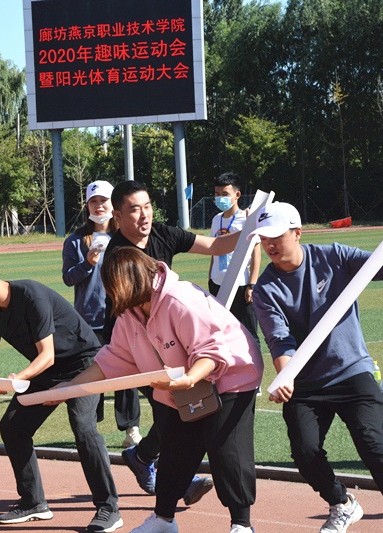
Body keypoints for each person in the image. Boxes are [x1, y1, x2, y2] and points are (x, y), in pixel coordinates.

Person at [55, 247, 262, 533]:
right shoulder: (129, 315)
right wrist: (69, 388)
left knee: (225, 448)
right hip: (178, 385)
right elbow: (112, 359)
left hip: (231, 376)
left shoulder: (181, 300)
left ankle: (241, 525)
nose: (111, 294)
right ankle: (163, 520)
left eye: (114, 286)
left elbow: (210, 351)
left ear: (133, 280)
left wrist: (189, 378)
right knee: (174, 450)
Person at [249, 202, 383, 533]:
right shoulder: (265, 288)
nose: (269, 245)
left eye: (276, 236)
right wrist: (285, 376)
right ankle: (342, 503)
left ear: (297, 233)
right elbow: (279, 341)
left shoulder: (333, 256)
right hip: (306, 383)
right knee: (304, 452)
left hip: (351, 370)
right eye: (264, 238)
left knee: (372, 441)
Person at [0, 254, 122, 533]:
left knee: (83, 426)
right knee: (13, 426)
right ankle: (33, 502)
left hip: (84, 363)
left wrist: (16, 380)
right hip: (47, 370)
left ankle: (108, 508)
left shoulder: (31, 296)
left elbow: (47, 354)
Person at [105, 180, 239, 501]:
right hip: (136, 345)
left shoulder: (164, 233)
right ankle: (175, 477)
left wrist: (250, 233)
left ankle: (144, 458)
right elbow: (129, 313)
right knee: (176, 410)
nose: (144, 215)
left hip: (168, 340)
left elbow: (215, 246)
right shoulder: (117, 256)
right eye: (134, 210)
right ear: (118, 216)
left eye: (147, 206)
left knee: (178, 408)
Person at [62, 179, 141, 448]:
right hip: (88, 319)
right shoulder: (75, 240)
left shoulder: (125, 237)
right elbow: (68, 278)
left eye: (103, 201)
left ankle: (131, 428)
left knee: (127, 372)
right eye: (93, 201)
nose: (99, 206)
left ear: (113, 204)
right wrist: (87, 263)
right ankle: (90, 427)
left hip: (121, 314)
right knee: (91, 372)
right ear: (87, 205)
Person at [207, 172, 260, 341]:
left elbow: (256, 253)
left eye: (225, 194)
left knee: (248, 333)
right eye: (217, 194)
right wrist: (210, 277)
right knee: (223, 332)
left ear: (237, 195)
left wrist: (251, 285)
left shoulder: (246, 219)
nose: (220, 198)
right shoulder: (216, 219)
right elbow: (213, 249)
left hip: (240, 285)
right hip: (217, 283)